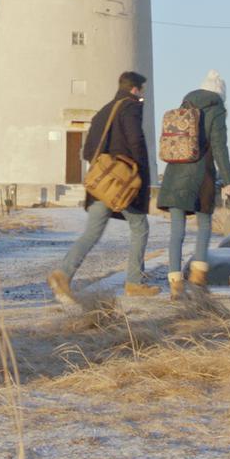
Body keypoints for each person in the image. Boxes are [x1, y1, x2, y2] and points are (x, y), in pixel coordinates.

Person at [49, 71, 156, 302]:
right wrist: (139, 171)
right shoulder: (130, 107)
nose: (143, 95)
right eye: (142, 90)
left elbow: (88, 152)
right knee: (140, 227)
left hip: (101, 185)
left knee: (92, 233)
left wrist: (105, 165)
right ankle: (134, 282)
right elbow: (135, 140)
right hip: (122, 184)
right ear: (135, 89)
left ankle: (63, 274)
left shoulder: (103, 113)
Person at [155, 70, 230, 298]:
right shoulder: (216, 109)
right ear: (221, 93)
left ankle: (175, 285)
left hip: (174, 173)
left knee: (176, 232)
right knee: (204, 225)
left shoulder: (185, 105)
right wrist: (229, 180)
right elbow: (220, 147)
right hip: (201, 176)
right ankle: (198, 281)